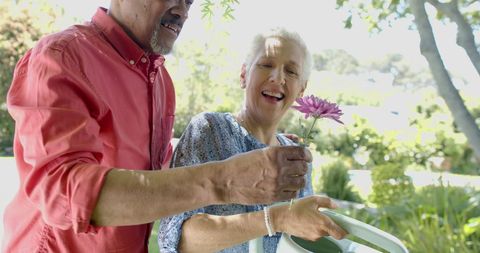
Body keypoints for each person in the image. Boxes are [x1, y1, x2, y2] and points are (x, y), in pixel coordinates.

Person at [2, 1, 314, 252]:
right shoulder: (63, 57)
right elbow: (66, 194)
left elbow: (156, 181)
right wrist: (224, 180)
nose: (184, 9)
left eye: (190, 1)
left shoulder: (161, 82)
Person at [158, 28, 347, 253]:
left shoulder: (297, 157)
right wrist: (275, 219)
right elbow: (177, 240)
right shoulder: (210, 130)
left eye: (291, 71)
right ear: (243, 75)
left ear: (301, 90)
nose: (278, 77)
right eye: (266, 64)